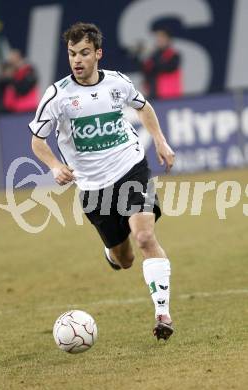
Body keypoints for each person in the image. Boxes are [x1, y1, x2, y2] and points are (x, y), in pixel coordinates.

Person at [29, 22, 175, 340]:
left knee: (145, 237)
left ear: (98, 54)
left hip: (130, 168)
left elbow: (144, 107)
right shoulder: (57, 96)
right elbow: (37, 141)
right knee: (124, 259)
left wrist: (160, 141)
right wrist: (54, 165)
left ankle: (162, 313)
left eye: (83, 53)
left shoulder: (117, 83)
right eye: (71, 54)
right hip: (94, 188)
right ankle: (111, 252)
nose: (77, 60)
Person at [142, 27, 183, 100]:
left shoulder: (173, 55)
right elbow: (146, 71)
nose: (159, 40)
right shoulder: (153, 56)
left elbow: (167, 67)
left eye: (162, 37)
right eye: (158, 38)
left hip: (170, 94)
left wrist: (153, 58)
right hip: (154, 94)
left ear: (168, 39)